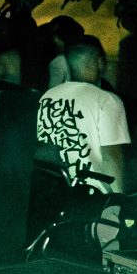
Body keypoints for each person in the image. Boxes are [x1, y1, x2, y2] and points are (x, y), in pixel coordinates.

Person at [33, 40, 128, 195]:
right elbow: (111, 156)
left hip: (51, 186)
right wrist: (116, 199)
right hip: (89, 192)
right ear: (99, 62)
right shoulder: (106, 101)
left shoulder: (49, 96)